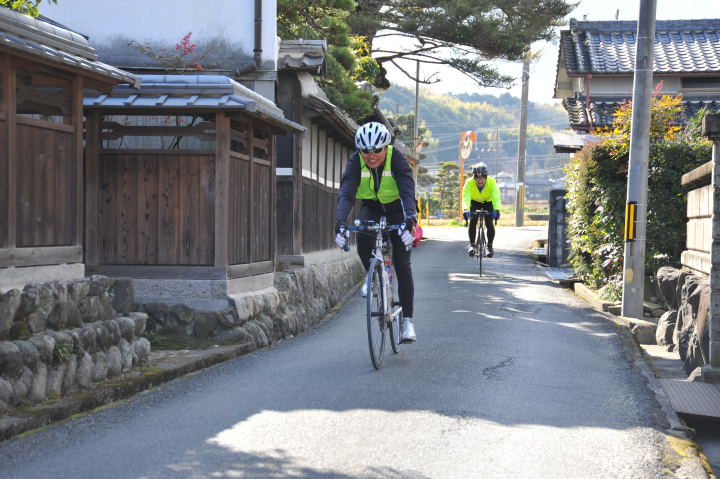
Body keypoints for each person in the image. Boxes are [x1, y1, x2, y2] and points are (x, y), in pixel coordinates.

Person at [334, 122, 418, 343]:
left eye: (377, 150)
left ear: (385, 147)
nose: (371, 156)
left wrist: (410, 219)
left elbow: (407, 190)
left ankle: (407, 321)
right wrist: (340, 221)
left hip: (398, 210)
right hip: (371, 206)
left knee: (402, 263)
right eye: (365, 151)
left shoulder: (396, 158)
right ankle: (372, 278)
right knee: (363, 235)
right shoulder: (355, 162)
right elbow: (347, 193)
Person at [462, 162, 501, 257]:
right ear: (474, 178)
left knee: (489, 223)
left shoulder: (492, 182)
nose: (479, 181)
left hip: (488, 202)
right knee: (473, 221)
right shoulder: (469, 183)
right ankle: (472, 245)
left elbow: (496, 197)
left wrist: (497, 210)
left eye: (482, 178)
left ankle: (489, 247)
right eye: (477, 179)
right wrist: (466, 209)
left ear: (486, 177)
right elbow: (466, 197)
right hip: (474, 202)